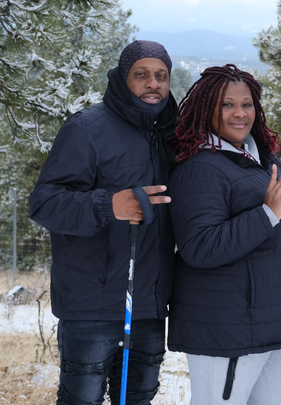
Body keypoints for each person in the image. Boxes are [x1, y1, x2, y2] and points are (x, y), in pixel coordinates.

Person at [166, 64, 281, 405]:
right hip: (226, 331)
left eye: (247, 104)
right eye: (227, 104)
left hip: (278, 323)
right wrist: (265, 214)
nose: (240, 113)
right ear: (206, 109)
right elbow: (200, 247)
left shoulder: (262, 156)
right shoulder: (199, 168)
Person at [29, 40, 178, 405]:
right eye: (141, 74)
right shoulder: (87, 128)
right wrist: (108, 204)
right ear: (122, 78)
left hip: (149, 308)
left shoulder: (173, 135)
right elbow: (44, 203)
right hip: (91, 306)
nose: (152, 84)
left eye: (161, 76)